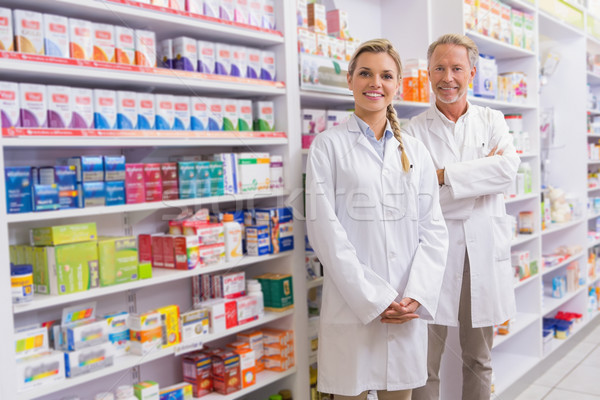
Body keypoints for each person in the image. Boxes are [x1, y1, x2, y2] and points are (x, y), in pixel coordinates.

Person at [305, 38, 449, 400]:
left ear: (397, 85)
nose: (376, 83)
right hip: (352, 304)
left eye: (386, 75)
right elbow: (325, 233)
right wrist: (374, 298)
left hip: (404, 305)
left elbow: (433, 229)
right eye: (365, 73)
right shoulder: (328, 145)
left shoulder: (414, 151)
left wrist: (415, 294)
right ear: (350, 80)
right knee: (349, 393)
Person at [404, 34, 520, 400]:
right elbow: (417, 199)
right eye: (439, 68)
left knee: (479, 358)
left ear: (471, 71)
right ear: (428, 73)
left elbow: (508, 172)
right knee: (424, 362)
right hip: (432, 257)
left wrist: (443, 176)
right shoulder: (413, 130)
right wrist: (479, 176)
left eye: (456, 68)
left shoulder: (492, 120)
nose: (447, 77)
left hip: (482, 254)